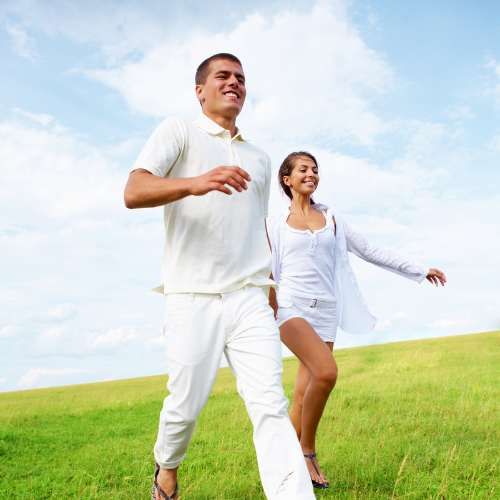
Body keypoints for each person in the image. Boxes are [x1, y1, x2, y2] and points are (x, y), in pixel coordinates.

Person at [124, 55, 316, 500]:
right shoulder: (178, 131)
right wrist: (196, 182)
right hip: (192, 296)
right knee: (184, 407)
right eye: (223, 76)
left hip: (250, 297)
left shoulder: (260, 159)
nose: (235, 83)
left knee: (270, 405)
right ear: (200, 90)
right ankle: (166, 467)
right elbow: (133, 191)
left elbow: (256, 228)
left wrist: (269, 294)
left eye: (242, 79)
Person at [266, 151, 446, 489]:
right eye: (303, 169)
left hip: (327, 310)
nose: (312, 174)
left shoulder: (332, 218)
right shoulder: (274, 222)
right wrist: (271, 303)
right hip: (291, 308)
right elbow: (264, 267)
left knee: (305, 392)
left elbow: (370, 251)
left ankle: (284, 471)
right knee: (327, 372)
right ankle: (306, 451)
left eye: (316, 170)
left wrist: (420, 269)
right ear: (287, 179)